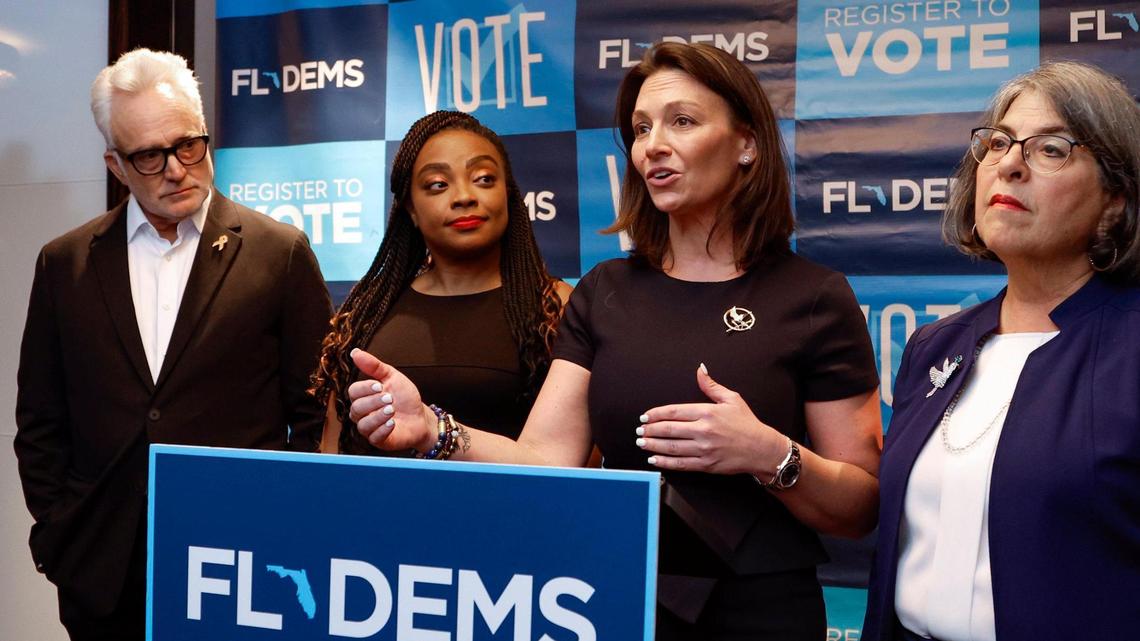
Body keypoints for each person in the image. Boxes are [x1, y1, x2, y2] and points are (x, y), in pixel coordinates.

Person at [346, 42, 883, 640]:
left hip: (759, 611)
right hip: (619, 596)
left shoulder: (813, 296)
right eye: (641, 128)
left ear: (747, 143)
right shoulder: (606, 291)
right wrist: (435, 429)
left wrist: (769, 455)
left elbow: (861, 505)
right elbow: (546, 462)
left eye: (682, 121)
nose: (653, 145)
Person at [13, 48, 332, 640]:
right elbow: (40, 420)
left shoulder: (278, 252)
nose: (177, 169)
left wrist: (287, 525)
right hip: (102, 575)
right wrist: (60, 532)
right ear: (115, 164)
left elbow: (316, 411)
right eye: (149, 156)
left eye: (188, 145)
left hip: (243, 568)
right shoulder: (65, 263)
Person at [863, 61, 1140, 641]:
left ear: (1115, 202)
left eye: (1051, 149)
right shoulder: (934, 346)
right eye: (998, 143)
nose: (1010, 164)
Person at [310, 111, 570, 453]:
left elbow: (574, 462)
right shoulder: (365, 314)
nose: (464, 196)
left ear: (509, 194)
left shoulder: (557, 307)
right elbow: (333, 453)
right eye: (438, 185)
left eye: (484, 178)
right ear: (411, 210)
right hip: (375, 505)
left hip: (510, 506)